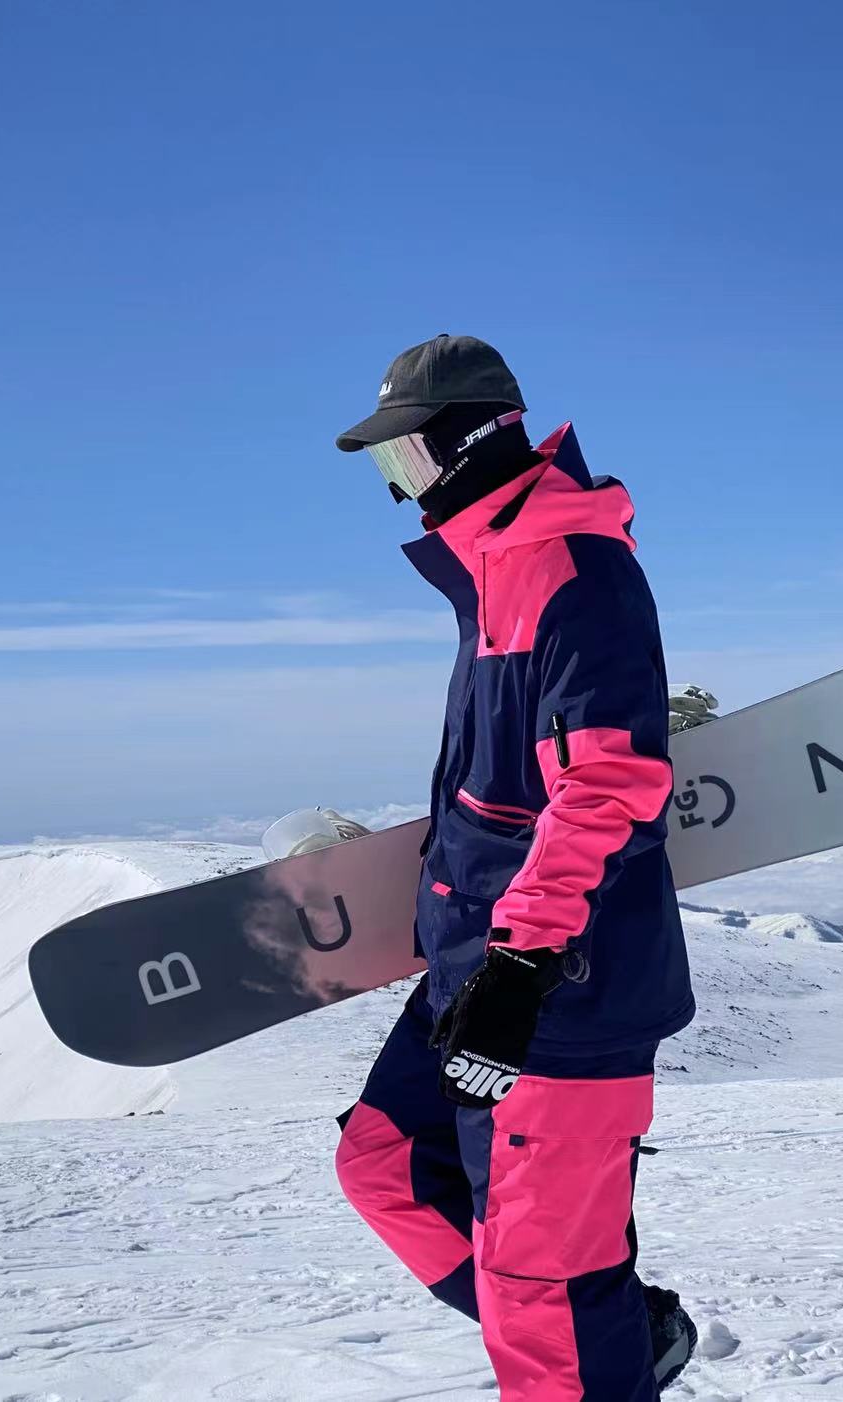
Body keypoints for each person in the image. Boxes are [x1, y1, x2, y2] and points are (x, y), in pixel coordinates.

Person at [331, 334, 698, 1400]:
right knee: (388, 1164)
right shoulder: (494, 574)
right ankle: (616, 1334)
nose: (399, 488)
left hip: (553, 996)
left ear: (465, 440)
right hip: (479, 976)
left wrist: (521, 962)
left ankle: (595, 1345)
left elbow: (607, 785)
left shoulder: (574, 571)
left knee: (546, 1294)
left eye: (402, 457)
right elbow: (499, 798)